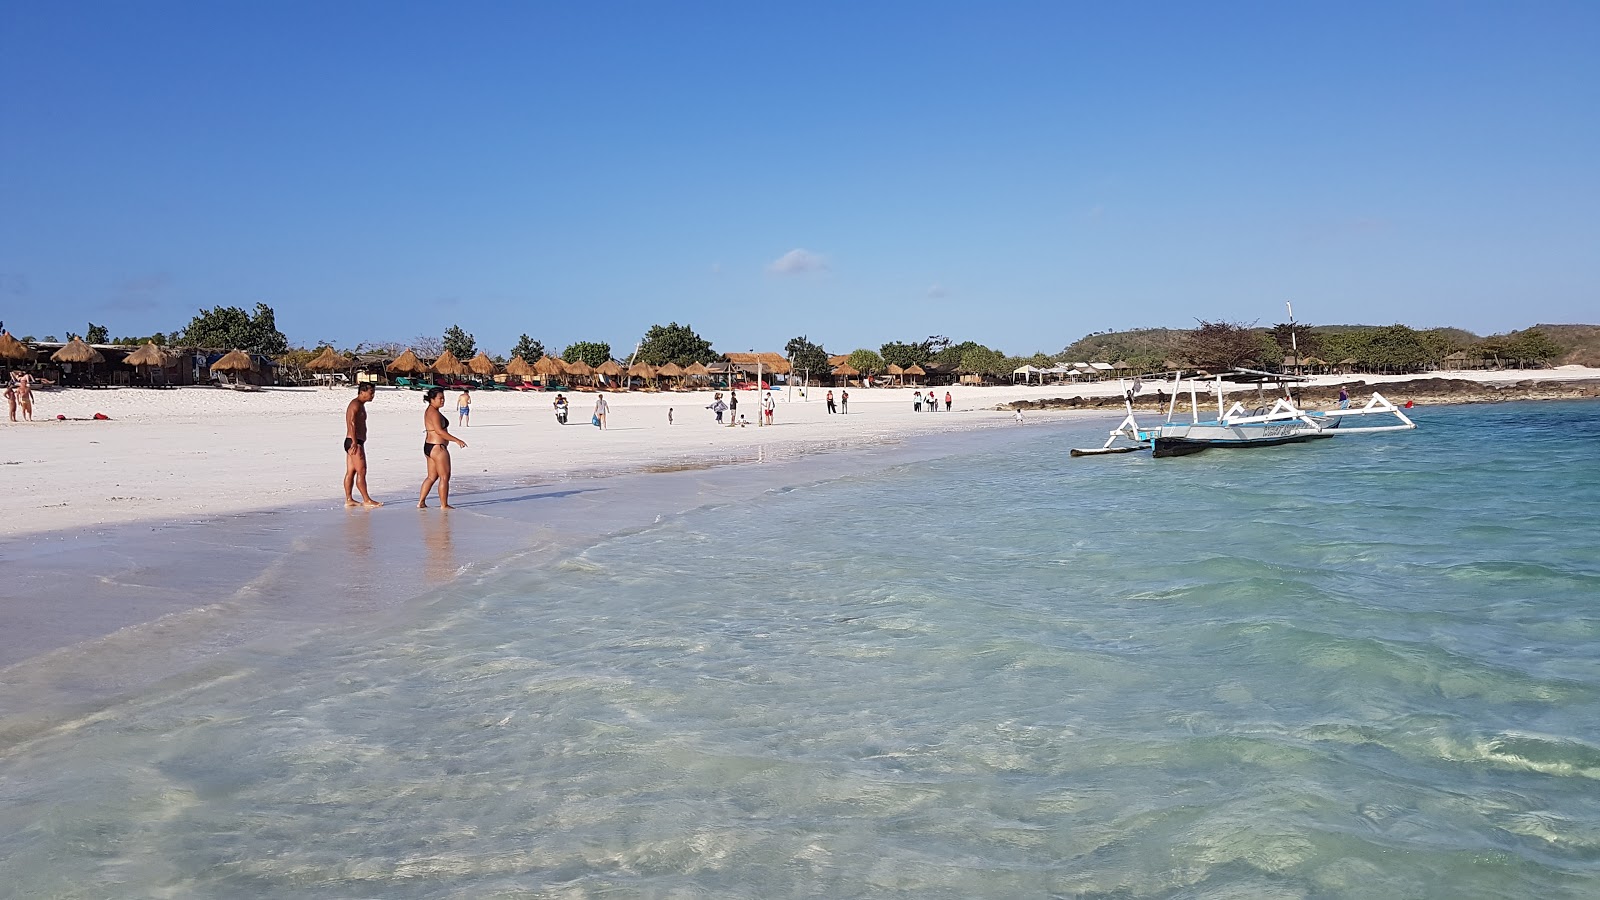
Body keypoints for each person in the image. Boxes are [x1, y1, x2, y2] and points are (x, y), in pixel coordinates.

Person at [419, 387, 467, 509]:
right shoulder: (433, 412)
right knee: (444, 477)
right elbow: (440, 431)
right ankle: (444, 505)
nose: (442, 401)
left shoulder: (430, 410)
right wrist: (457, 440)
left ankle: (421, 502)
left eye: (443, 398)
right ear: (432, 399)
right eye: (440, 398)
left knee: (431, 477)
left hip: (429, 447)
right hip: (438, 448)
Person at [343, 382, 382, 508]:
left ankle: (349, 499)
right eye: (371, 393)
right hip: (354, 442)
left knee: (351, 472)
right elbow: (351, 423)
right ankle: (366, 499)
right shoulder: (355, 404)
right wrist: (355, 441)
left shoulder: (360, 405)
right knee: (361, 471)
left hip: (353, 441)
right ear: (362, 392)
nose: (373, 396)